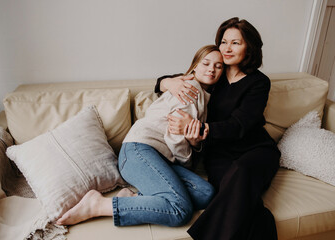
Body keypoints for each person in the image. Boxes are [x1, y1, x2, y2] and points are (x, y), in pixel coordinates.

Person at [56, 45, 224, 227]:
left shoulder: (204, 97)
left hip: (157, 158)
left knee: (206, 193)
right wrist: (189, 159)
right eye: (206, 63)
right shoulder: (191, 90)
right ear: (194, 67)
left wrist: (194, 141)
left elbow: (183, 136)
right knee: (179, 210)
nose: (211, 69)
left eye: (218, 66)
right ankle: (99, 205)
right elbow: (175, 139)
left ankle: (133, 198)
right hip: (139, 151)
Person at [155, 17, 281, 240]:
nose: (227, 48)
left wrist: (199, 128)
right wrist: (169, 82)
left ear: (249, 47)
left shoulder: (259, 82)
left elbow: (240, 125)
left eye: (236, 43)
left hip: (255, 150)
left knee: (241, 173)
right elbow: (163, 82)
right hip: (219, 155)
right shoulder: (214, 75)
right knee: (252, 210)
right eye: (224, 42)